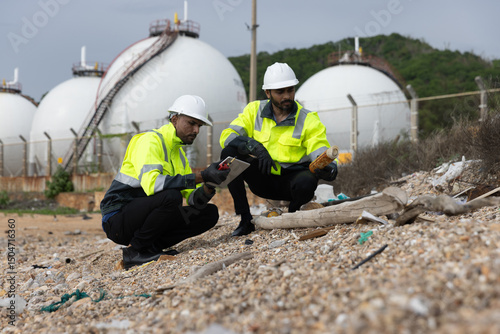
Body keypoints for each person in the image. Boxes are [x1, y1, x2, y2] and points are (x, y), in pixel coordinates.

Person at [100, 95, 230, 269]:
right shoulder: (150, 141)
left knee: (209, 213)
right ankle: (135, 252)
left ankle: (151, 247)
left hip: (142, 216)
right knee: (171, 196)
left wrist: (210, 184)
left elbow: (192, 200)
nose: (197, 130)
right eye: (191, 123)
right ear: (174, 119)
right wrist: (202, 176)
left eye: (199, 125)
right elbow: (153, 185)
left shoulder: (179, 155)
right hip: (117, 218)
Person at [220, 62, 338, 236]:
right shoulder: (254, 111)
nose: (286, 96)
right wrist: (255, 147)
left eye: (290, 90)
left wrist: (329, 167)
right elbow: (227, 136)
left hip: (291, 183)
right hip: (262, 177)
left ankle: (293, 215)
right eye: (280, 92)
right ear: (268, 93)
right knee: (228, 154)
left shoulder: (308, 120)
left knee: (307, 180)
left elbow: (319, 148)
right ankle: (245, 220)